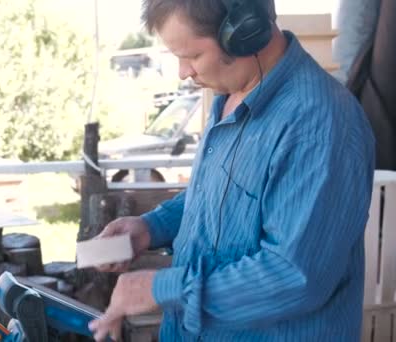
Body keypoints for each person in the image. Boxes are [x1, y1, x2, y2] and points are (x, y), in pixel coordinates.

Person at [88, 0, 376, 341]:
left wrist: (159, 288)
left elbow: (293, 276)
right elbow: (220, 195)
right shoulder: (231, 95)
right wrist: (152, 227)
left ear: (244, 33)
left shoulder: (322, 123)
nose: (184, 72)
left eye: (192, 56)